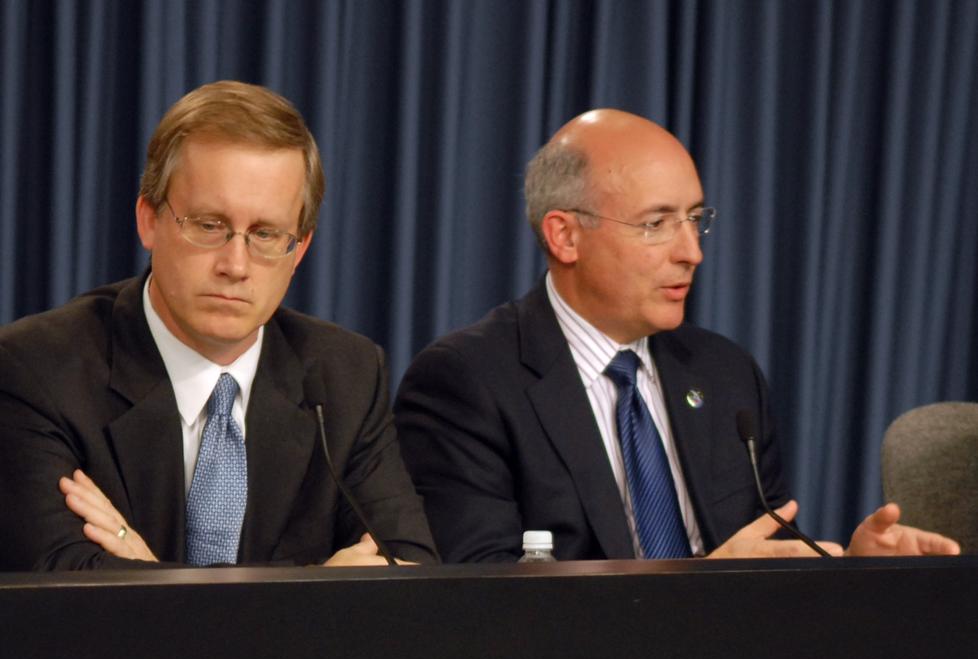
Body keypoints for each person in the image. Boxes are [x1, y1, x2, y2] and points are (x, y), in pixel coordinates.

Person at [394, 109, 957, 562]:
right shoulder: (468, 382)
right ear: (565, 236)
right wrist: (704, 589)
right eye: (656, 224)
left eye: (694, 219)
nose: (692, 252)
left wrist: (852, 570)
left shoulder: (724, 372)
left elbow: (766, 551)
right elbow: (484, 599)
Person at [0, 80, 435, 569]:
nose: (236, 264)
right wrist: (315, 594)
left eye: (266, 234)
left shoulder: (344, 377)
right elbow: (66, 587)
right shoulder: (38, 371)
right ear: (148, 220)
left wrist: (149, 575)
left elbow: (408, 576)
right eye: (209, 225)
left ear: (299, 250)